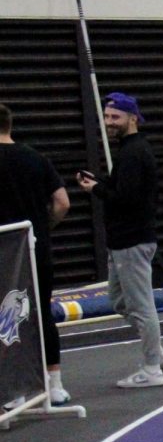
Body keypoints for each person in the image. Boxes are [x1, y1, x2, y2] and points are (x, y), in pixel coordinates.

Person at [75, 92, 163, 388]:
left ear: (132, 118)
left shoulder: (135, 153)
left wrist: (96, 190)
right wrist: (98, 182)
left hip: (133, 241)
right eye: (106, 117)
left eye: (115, 117)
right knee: (118, 301)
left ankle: (151, 369)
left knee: (142, 307)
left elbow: (126, 199)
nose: (109, 122)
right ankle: (158, 352)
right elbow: (121, 189)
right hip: (121, 241)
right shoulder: (128, 151)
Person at [0, 104, 72, 404]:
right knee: (41, 311)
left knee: (8, 318)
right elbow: (62, 202)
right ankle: (54, 383)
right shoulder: (36, 158)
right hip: (34, 247)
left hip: (5, 251)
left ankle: (16, 390)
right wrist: (43, 229)